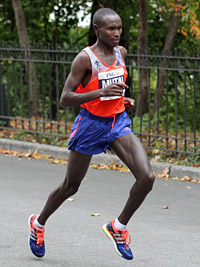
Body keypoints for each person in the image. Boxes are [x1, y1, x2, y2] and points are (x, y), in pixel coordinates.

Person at [28, 7, 155, 261]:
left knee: (147, 177)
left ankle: (118, 227)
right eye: (111, 29)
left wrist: (121, 98)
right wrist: (100, 93)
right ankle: (38, 223)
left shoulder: (121, 54)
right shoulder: (85, 59)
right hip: (90, 125)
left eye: (119, 28)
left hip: (117, 122)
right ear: (97, 29)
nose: (117, 33)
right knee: (71, 186)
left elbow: (114, 88)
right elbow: (65, 99)